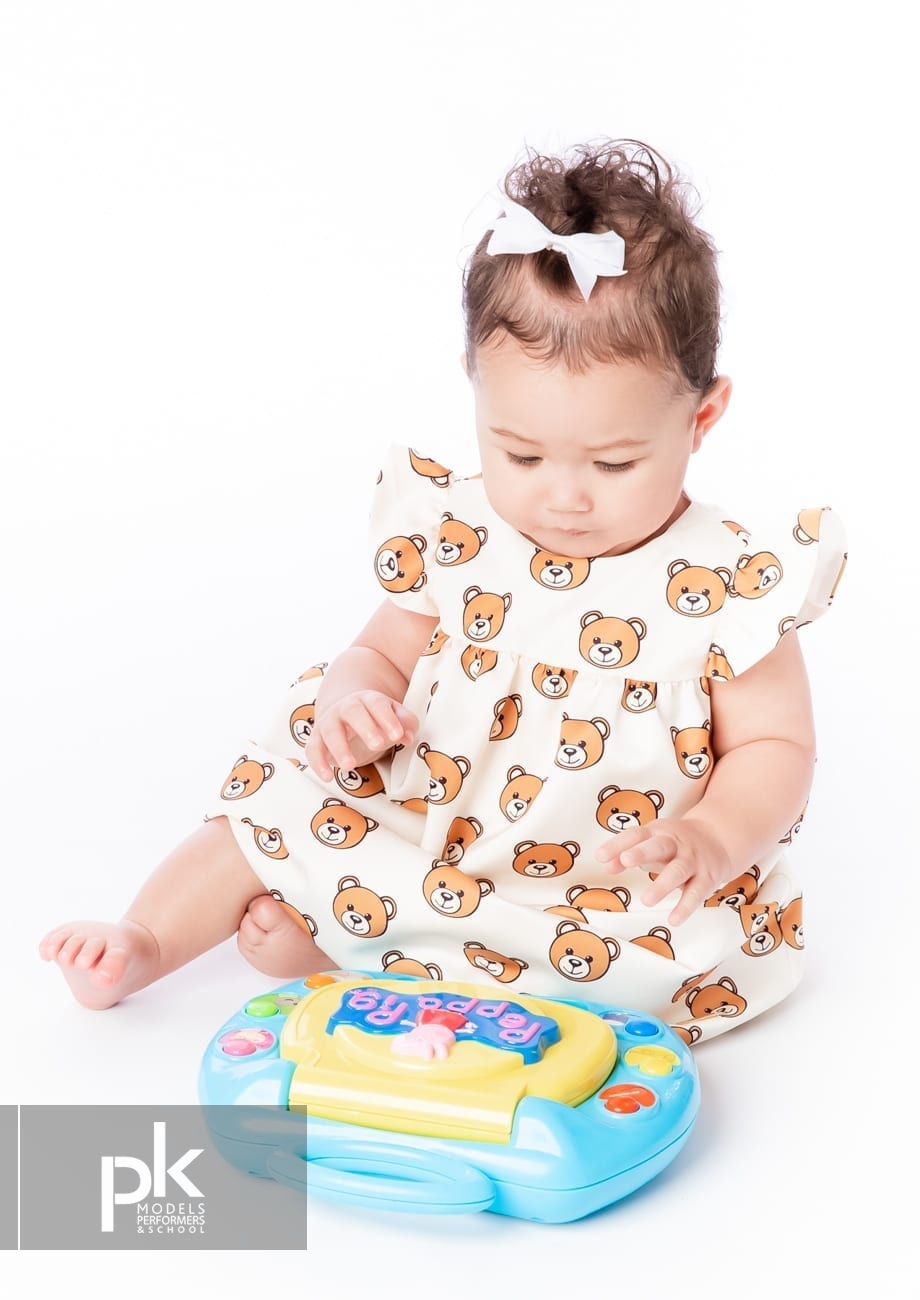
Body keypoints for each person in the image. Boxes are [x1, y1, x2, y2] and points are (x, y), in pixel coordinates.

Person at [40, 139, 846, 1044]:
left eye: (615, 463)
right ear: (476, 395)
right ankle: (148, 939)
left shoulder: (732, 584)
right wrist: (353, 703)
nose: (564, 497)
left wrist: (713, 839)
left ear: (702, 417)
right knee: (276, 800)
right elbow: (378, 653)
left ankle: (359, 939)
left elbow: (775, 745)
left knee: (652, 963)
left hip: (601, 885)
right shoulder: (458, 533)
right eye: (520, 453)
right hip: (430, 828)